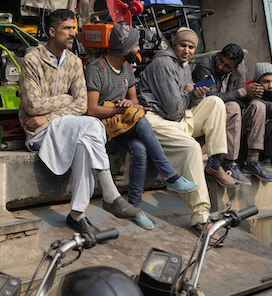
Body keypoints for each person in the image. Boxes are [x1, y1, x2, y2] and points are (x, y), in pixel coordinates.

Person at [19, 9, 141, 234]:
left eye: (74, 28)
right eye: (67, 28)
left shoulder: (74, 62)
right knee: (92, 126)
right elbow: (33, 106)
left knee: (87, 139)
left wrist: (50, 114)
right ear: (52, 31)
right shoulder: (32, 59)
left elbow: (81, 105)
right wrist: (65, 101)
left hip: (57, 125)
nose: (73, 33)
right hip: (38, 133)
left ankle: (77, 214)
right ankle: (111, 195)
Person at [84, 22, 198, 230]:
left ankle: (134, 208)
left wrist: (129, 104)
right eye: (135, 46)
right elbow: (92, 109)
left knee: (140, 148)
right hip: (101, 127)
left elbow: (135, 102)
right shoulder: (97, 68)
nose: (138, 49)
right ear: (125, 48)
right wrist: (122, 110)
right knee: (141, 119)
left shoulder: (127, 68)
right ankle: (170, 175)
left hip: (123, 124)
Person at [137, 27, 231, 242]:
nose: (187, 51)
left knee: (215, 102)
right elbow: (173, 108)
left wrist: (196, 94)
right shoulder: (163, 63)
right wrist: (189, 91)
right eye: (183, 45)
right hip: (157, 120)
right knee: (191, 148)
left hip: (178, 119)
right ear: (173, 44)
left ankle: (215, 162)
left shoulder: (184, 65)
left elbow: (183, 104)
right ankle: (200, 218)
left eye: (191, 47)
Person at [192, 43, 272, 184]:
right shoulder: (205, 66)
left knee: (258, 106)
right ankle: (230, 163)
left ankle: (253, 160)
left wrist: (251, 95)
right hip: (209, 118)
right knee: (233, 107)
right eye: (220, 61)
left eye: (227, 66)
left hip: (230, 119)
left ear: (235, 67)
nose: (221, 67)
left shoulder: (239, 71)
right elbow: (212, 98)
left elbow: (240, 99)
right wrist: (243, 92)